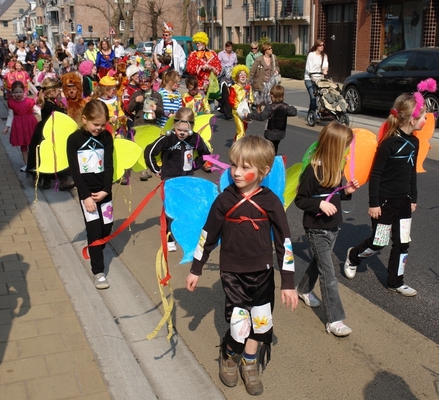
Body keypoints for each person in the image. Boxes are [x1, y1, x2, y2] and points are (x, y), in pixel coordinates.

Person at [185, 135, 297, 396]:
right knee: (239, 326)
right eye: (235, 165)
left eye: (246, 167)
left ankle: (249, 362)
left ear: (264, 171)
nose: (236, 172)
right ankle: (229, 354)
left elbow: (285, 243)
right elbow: (207, 236)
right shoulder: (224, 201)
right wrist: (196, 268)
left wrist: (288, 283)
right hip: (233, 274)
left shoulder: (271, 202)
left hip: (263, 274)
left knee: (260, 323)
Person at [344, 92, 424, 297]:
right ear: (412, 119)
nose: (426, 120)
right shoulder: (388, 144)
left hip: (404, 201)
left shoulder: (415, 143)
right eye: (423, 116)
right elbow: (376, 174)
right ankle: (353, 256)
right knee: (379, 242)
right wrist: (374, 204)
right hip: (385, 202)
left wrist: (413, 197)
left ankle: (396, 281)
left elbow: (411, 171)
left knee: (403, 243)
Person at [294, 121, 360, 336]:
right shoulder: (314, 170)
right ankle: (334, 319)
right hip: (317, 228)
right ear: (334, 146)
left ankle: (303, 290)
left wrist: (347, 190)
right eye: (345, 146)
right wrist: (319, 204)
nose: (348, 150)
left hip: (334, 226)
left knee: (318, 263)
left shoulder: (336, 167)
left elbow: (336, 194)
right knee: (329, 273)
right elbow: (301, 199)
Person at [144, 107, 211, 250]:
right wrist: (156, 169)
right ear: (174, 125)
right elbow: (149, 152)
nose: (182, 133)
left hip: (187, 179)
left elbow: (205, 153)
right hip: (170, 180)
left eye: (186, 131)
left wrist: (194, 165)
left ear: (192, 127)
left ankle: (183, 234)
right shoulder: (167, 138)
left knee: (186, 208)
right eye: (179, 129)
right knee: (171, 210)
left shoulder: (195, 138)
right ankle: (169, 237)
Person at [67, 99, 114, 289]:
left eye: (103, 125)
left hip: (104, 192)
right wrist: (85, 196)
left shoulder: (106, 137)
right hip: (88, 195)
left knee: (107, 228)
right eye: (96, 124)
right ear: (85, 119)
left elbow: (109, 165)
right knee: (94, 231)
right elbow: (75, 171)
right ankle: (99, 272)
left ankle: (97, 249)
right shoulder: (74, 140)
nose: (99, 128)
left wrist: (106, 190)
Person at [245, 84, 296, 154]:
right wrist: (289, 106)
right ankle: (273, 159)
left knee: (268, 149)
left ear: (272, 95)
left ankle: (268, 160)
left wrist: (249, 115)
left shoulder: (270, 107)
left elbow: (261, 117)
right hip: (280, 133)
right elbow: (294, 112)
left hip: (270, 132)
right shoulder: (285, 107)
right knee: (275, 147)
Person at [3, 81, 38, 170]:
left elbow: (37, 110)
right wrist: (7, 127)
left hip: (30, 125)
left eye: (20, 92)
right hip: (19, 126)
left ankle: (34, 163)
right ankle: (27, 165)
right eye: (16, 92)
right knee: (23, 146)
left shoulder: (29, 101)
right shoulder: (11, 103)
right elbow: (10, 115)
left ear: (24, 91)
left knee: (32, 144)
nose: (18, 94)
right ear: (12, 93)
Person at [249, 42, 280, 112]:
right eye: (269, 48)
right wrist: (247, 82)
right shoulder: (258, 59)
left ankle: (268, 113)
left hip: (270, 83)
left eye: (271, 48)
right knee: (258, 100)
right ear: (265, 50)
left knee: (270, 99)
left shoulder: (274, 58)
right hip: (260, 82)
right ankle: (259, 113)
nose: (271, 49)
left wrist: (277, 70)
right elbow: (252, 72)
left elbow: (277, 66)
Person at [228, 65, 254, 141]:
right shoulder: (234, 88)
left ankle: (235, 143)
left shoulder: (248, 87)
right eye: (241, 75)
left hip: (245, 112)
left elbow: (251, 98)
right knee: (241, 131)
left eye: (244, 74)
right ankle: (239, 149)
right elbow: (231, 100)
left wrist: (249, 101)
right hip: (237, 112)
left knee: (244, 129)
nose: (243, 76)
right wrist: (239, 106)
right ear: (236, 77)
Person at [304, 39, 329, 115]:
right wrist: (313, 77)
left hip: (319, 79)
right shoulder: (311, 55)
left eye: (323, 45)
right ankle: (312, 113)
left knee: (322, 97)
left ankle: (320, 111)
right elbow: (309, 68)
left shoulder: (324, 56)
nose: (322, 47)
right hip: (309, 78)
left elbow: (325, 66)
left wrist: (325, 70)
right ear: (316, 46)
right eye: (320, 45)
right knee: (313, 97)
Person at [217, 41, 237, 119]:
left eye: (230, 47)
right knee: (225, 93)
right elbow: (218, 63)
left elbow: (235, 64)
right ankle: (226, 112)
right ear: (225, 47)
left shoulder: (234, 55)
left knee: (231, 94)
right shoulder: (221, 54)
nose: (229, 49)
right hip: (223, 77)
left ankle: (227, 110)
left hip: (231, 77)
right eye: (228, 47)